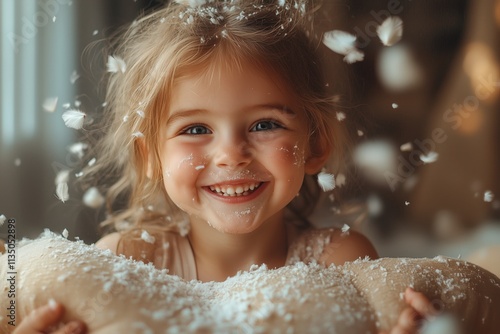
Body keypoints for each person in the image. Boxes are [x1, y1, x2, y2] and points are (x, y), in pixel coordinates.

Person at [8, 0, 439, 332]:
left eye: (265, 124)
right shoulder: (127, 260)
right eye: (195, 129)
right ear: (151, 158)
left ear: (316, 144)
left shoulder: (342, 261)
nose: (231, 155)